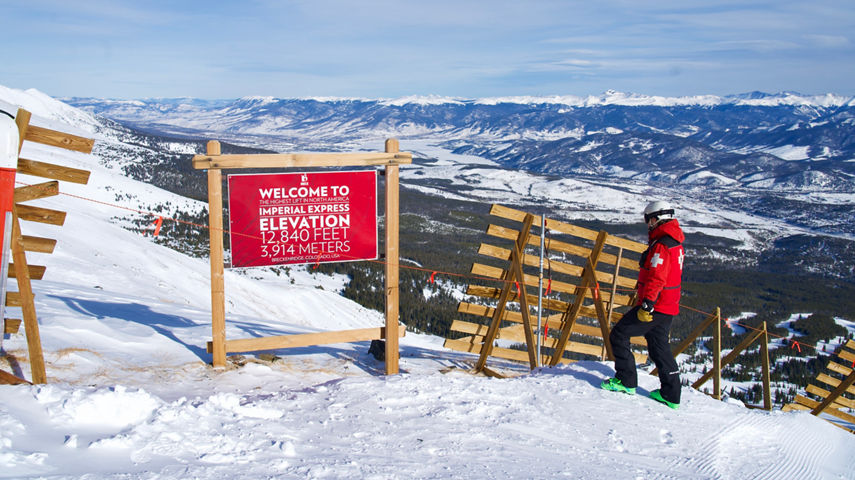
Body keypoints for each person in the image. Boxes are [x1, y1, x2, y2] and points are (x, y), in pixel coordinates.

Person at [601, 200, 685, 409]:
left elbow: (657, 276)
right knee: (659, 348)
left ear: (656, 219)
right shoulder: (675, 242)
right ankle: (671, 394)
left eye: (649, 220)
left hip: (655, 305)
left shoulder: (662, 245)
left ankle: (626, 381)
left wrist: (647, 304)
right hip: (668, 306)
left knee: (619, 334)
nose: (648, 224)